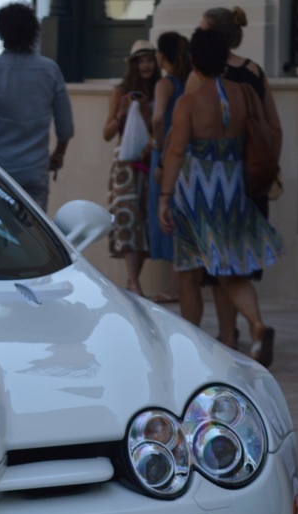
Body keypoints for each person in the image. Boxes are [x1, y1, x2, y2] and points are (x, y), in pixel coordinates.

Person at [158, 27, 281, 367]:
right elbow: (266, 131)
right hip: (234, 190)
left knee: (189, 272)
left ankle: (191, 345)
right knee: (232, 270)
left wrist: (165, 196)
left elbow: (176, 152)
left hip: (196, 194)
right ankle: (256, 325)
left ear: (193, 61)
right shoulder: (244, 94)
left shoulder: (189, 102)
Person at [199, 7, 283, 349]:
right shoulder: (253, 72)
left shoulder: (204, 74)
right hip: (251, 180)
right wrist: (266, 169)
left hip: (215, 183)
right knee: (238, 265)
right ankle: (237, 334)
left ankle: (231, 335)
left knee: (221, 267)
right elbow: (273, 127)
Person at [0, 1, 73, 211]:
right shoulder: (50, 70)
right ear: (33, 31)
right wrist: (58, 154)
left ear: (0, 31)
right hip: (35, 172)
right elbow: (65, 127)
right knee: (32, 238)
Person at [103, 40, 159, 296]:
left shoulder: (161, 90)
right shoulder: (120, 91)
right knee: (127, 218)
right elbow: (107, 133)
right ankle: (134, 282)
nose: (146, 65)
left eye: (150, 60)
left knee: (147, 220)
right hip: (125, 164)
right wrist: (122, 113)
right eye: (142, 61)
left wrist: (147, 109)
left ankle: (132, 280)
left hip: (149, 161)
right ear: (134, 65)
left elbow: (157, 130)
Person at [147, 32, 191, 305]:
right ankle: (180, 284)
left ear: (162, 56)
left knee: (168, 217)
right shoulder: (190, 81)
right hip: (185, 152)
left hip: (165, 152)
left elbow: (158, 116)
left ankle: (176, 287)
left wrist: (156, 142)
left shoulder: (165, 83)